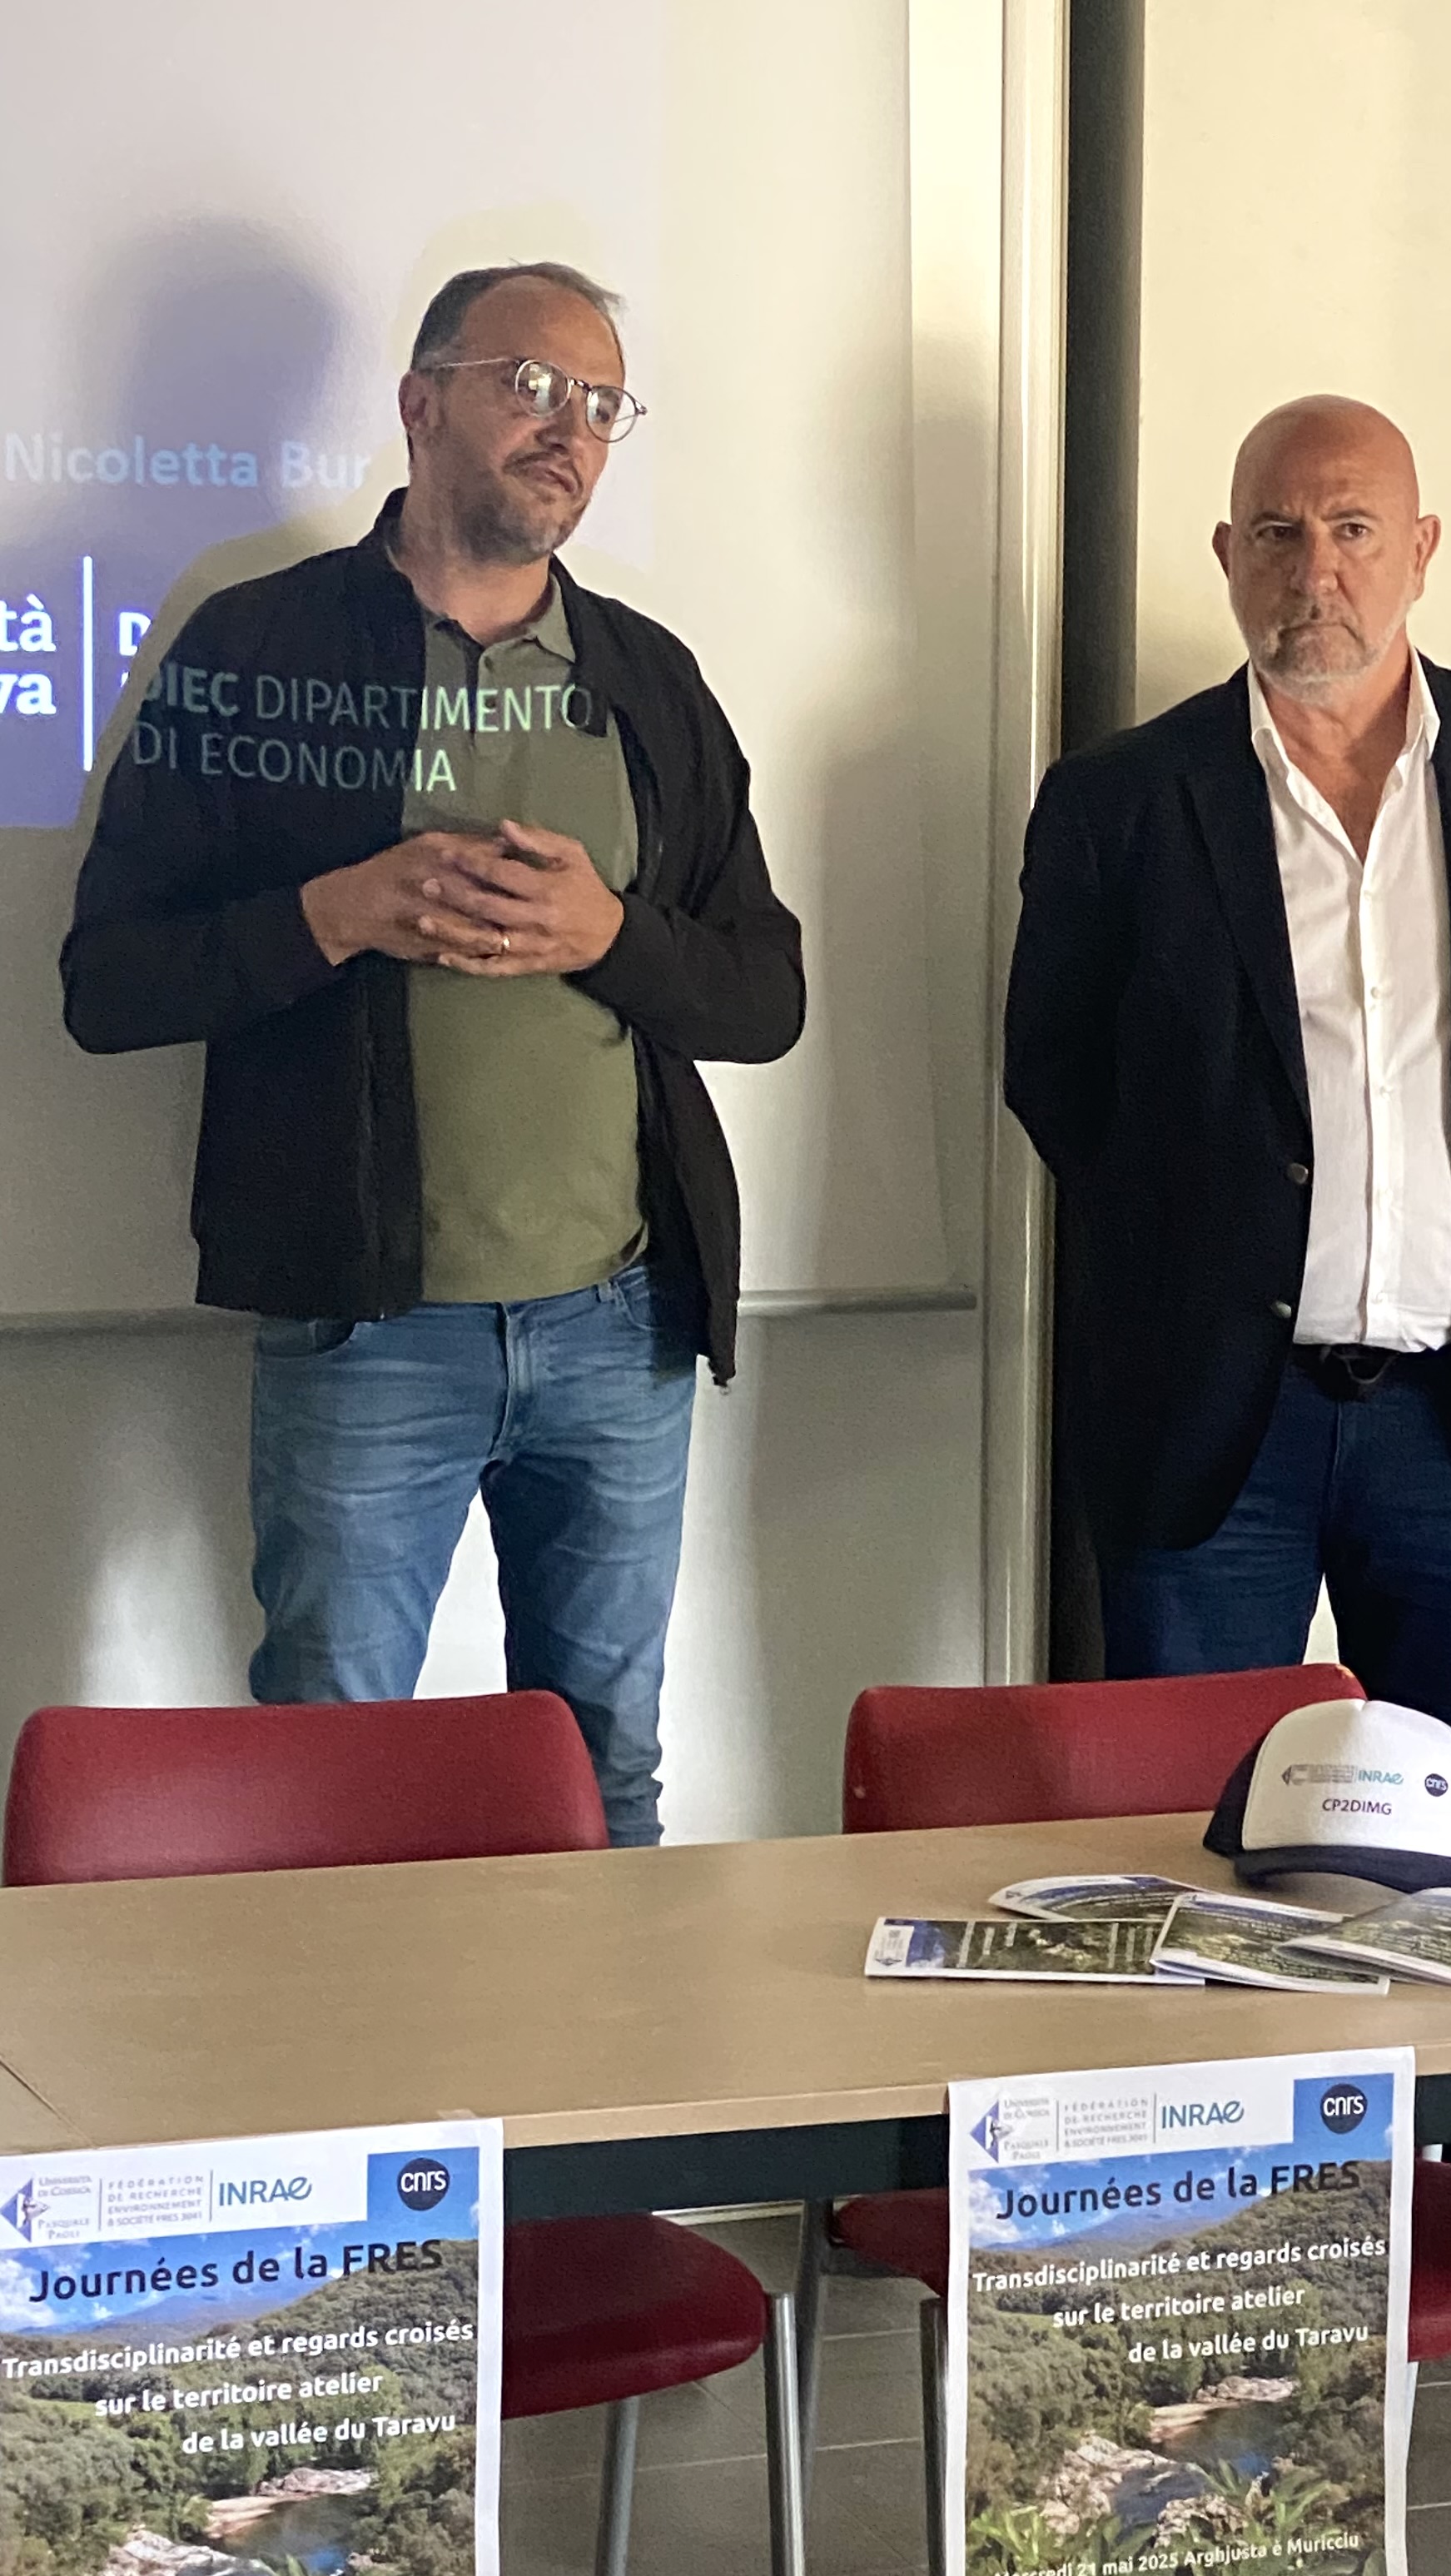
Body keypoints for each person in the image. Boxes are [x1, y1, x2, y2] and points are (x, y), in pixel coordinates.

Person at [62, 261, 803, 1844]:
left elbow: (766, 996)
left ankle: (591, 2029)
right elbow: (105, 981)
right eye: (530, 386)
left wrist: (610, 934)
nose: (570, 430)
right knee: (335, 1797)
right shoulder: (256, 647)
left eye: (601, 405)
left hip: (619, 1329)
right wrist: (333, 912)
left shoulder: (648, 682)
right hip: (367, 1331)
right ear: (419, 403)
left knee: (604, 1781)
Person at [1005, 395, 1451, 1783]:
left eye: (1352, 529)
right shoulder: (1121, 799)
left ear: (1420, 549)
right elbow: (1055, 1076)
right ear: (1227, 554)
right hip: (1212, 1418)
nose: (1316, 571)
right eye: (1278, 534)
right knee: (1183, 1831)